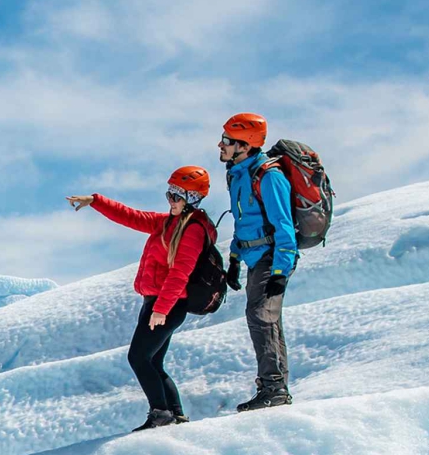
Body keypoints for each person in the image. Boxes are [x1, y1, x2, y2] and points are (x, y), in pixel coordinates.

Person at [68, 166, 215, 431]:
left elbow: (180, 273)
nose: (171, 199)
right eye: (169, 193)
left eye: (177, 195)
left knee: (138, 358)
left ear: (193, 198)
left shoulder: (192, 230)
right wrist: (96, 201)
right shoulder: (166, 222)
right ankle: (175, 414)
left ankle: (161, 414)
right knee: (152, 361)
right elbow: (132, 217)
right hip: (156, 303)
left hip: (167, 304)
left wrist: (161, 310)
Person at [219, 113, 296, 411]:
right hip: (254, 257)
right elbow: (243, 221)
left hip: (272, 257)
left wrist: (280, 271)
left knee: (260, 316)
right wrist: (235, 258)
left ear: (246, 144)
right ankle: (275, 388)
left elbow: (284, 226)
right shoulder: (238, 174)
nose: (220, 145)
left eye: (227, 140)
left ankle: (274, 389)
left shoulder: (269, 176)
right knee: (268, 320)